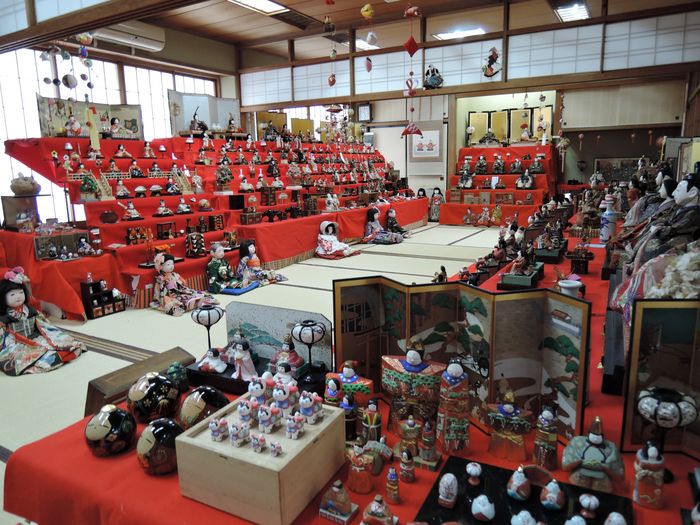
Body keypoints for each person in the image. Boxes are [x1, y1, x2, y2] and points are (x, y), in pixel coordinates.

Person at [0, 267, 85, 375]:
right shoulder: (4, 317)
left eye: (21, 292)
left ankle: (59, 354)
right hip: (15, 342)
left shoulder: (29, 310)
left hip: (34, 335)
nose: (18, 297)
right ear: (3, 298)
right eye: (12, 294)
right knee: (22, 356)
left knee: (60, 341)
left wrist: (45, 329)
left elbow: (42, 322)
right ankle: (50, 359)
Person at [151, 253, 217, 316]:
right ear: (160, 266)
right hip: (171, 294)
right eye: (168, 264)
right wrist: (165, 296)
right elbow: (160, 291)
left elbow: (182, 283)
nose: (171, 266)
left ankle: (197, 302)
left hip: (179, 291)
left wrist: (182, 281)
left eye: (172, 264)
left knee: (192, 293)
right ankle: (192, 304)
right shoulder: (161, 278)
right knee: (178, 301)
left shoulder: (174, 274)